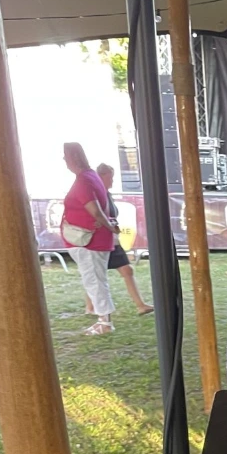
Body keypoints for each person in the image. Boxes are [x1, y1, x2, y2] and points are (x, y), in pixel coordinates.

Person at [61, 142, 116, 336]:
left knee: (94, 280)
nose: (64, 160)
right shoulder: (90, 176)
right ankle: (103, 319)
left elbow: (95, 210)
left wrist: (109, 226)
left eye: (66, 156)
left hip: (90, 241)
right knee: (95, 279)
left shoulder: (83, 180)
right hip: (92, 240)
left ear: (73, 158)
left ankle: (105, 322)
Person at [91, 163, 153, 316]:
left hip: (111, 238)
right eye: (110, 178)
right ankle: (91, 306)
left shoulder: (107, 194)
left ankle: (140, 305)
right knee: (97, 274)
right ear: (100, 177)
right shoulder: (95, 194)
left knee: (125, 270)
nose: (112, 181)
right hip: (100, 239)